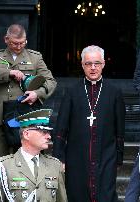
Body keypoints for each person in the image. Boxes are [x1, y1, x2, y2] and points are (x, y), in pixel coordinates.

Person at [52, 45, 125, 202]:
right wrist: (59, 157)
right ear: (82, 65)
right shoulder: (72, 91)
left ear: (103, 64)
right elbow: (61, 126)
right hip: (76, 156)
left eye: (97, 63)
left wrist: (118, 157)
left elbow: (120, 128)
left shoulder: (114, 92)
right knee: (77, 194)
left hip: (106, 155)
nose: (93, 68)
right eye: (88, 64)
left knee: (105, 195)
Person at [0, 24, 57, 160]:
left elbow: (51, 81)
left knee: (26, 160)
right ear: (6, 39)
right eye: (15, 43)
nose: (19, 46)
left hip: (24, 115)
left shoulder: (35, 58)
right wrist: (9, 72)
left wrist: (37, 94)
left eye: (23, 43)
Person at [0, 109, 67, 202]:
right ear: (26, 134)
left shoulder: (55, 165)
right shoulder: (3, 166)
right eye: (43, 132)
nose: (49, 136)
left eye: (48, 132)